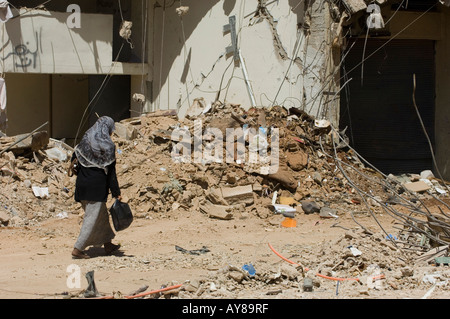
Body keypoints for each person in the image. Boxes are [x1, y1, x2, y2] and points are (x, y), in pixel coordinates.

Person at [70, 116, 122, 259]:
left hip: (82, 186)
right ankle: (78, 248)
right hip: (96, 189)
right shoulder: (108, 147)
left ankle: (107, 244)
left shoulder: (84, 142)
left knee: (101, 216)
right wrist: (116, 192)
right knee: (92, 219)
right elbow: (111, 173)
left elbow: (73, 160)